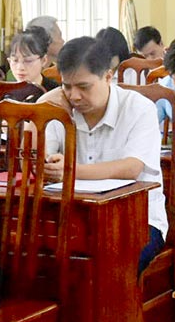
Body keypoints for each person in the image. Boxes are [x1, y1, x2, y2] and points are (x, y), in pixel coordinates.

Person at [40, 37, 167, 273]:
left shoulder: (138, 108)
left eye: (83, 87)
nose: (74, 96)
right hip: (74, 218)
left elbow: (132, 168)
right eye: (67, 87)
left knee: (111, 265)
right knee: (35, 259)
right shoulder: (59, 109)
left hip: (136, 221)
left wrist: (69, 170)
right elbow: (35, 159)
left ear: (108, 77)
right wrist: (42, 106)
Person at [8, 26, 58, 96]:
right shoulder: (4, 92)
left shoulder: (56, 93)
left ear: (43, 60)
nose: (20, 67)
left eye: (28, 61)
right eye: (15, 60)